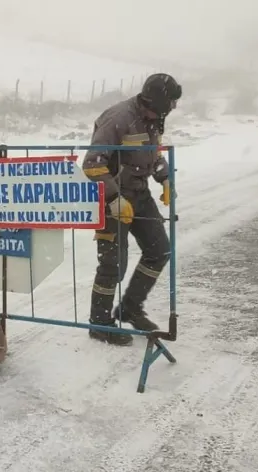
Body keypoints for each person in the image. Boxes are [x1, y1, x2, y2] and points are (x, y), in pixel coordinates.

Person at [81, 73, 182, 346]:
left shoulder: (153, 120)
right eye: (171, 102)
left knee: (159, 251)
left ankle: (130, 308)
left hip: (139, 193)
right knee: (113, 264)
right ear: (159, 101)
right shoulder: (119, 118)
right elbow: (92, 164)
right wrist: (113, 198)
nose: (174, 107)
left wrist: (165, 178)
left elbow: (154, 154)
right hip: (112, 197)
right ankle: (99, 323)